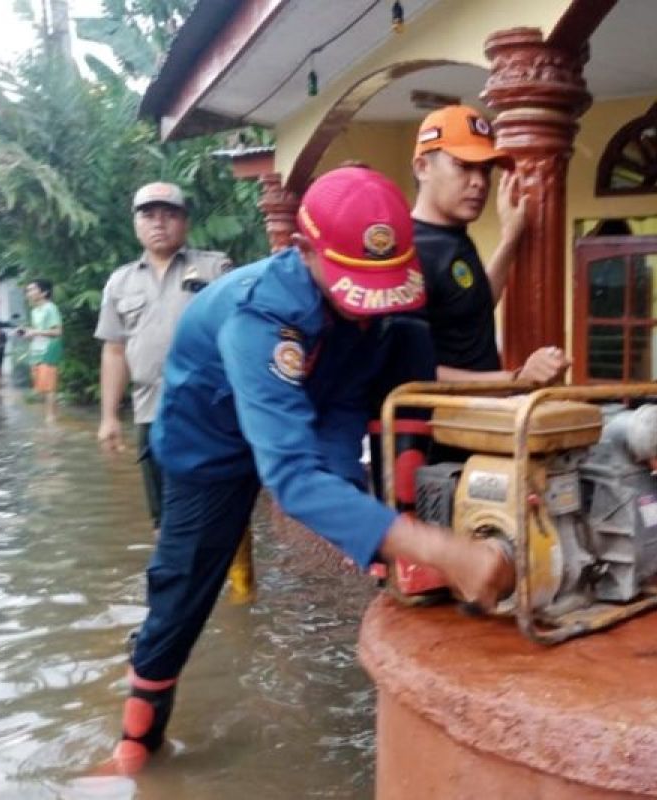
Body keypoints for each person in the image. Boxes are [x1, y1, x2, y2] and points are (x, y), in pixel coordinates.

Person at [109, 167, 513, 775]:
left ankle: (396, 556)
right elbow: (292, 480)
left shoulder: (371, 310)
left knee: (404, 345)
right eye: (355, 288)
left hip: (304, 411)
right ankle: (136, 744)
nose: (366, 310)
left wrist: (365, 517)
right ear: (302, 253)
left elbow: (342, 410)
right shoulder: (259, 317)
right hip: (210, 445)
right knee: (186, 583)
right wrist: (446, 549)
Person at [91, 183, 256, 598]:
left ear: (184, 221)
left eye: (169, 214)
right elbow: (114, 351)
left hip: (213, 412)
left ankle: (241, 593)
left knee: (227, 507)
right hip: (151, 413)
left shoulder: (217, 269)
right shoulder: (120, 282)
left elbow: (246, 333)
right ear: (136, 224)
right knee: (165, 517)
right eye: (149, 215)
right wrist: (110, 417)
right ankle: (178, 594)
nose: (159, 223)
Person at [411, 105, 570, 386]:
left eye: (485, 171)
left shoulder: (453, 236)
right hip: (439, 424)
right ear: (423, 167)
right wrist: (515, 379)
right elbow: (411, 368)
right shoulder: (410, 251)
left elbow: (474, 305)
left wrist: (510, 239)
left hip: (477, 417)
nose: (479, 183)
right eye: (464, 166)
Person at [19, 279, 63, 423]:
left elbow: (57, 331)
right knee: (42, 386)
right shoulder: (34, 311)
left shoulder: (50, 308)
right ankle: (49, 415)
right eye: (28, 290)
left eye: (32, 289)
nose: (29, 293)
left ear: (44, 292)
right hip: (37, 349)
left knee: (49, 385)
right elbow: (38, 332)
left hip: (49, 350)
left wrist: (35, 332)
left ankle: (51, 418)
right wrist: (28, 334)